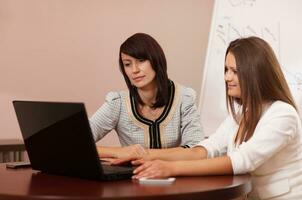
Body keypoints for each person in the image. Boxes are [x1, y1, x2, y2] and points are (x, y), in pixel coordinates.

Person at [119, 36, 302, 199]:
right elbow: (205, 150)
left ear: (255, 73)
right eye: (226, 69)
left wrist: (169, 168)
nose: (226, 77)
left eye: (234, 71)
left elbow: (241, 161)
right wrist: (147, 156)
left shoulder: (283, 114)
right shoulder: (242, 114)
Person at [89, 33, 203, 158]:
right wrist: (118, 152)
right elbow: (76, 142)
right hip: (132, 176)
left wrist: (144, 155)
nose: (134, 70)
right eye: (127, 64)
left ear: (156, 59)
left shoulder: (184, 98)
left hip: (174, 176)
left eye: (141, 61)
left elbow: (197, 150)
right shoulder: (118, 103)